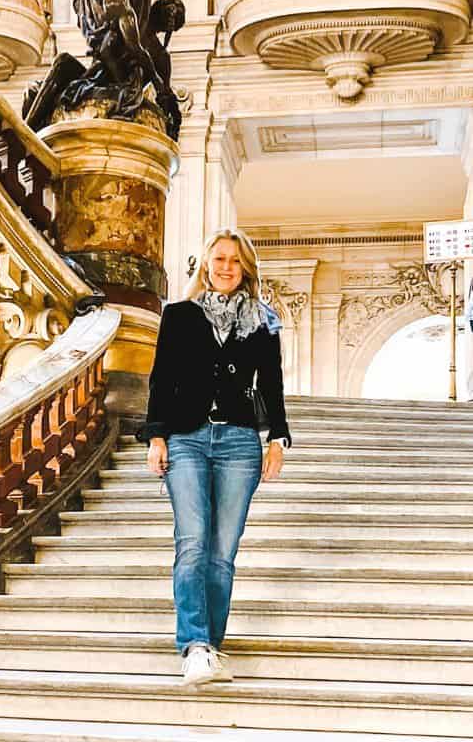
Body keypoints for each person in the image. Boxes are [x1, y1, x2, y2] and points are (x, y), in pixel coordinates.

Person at [138, 228, 292, 686]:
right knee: (192, 542)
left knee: (222, 552)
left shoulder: (263, 320)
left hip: (239, 444)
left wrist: (278, 438)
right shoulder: (180, 315)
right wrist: (156, 436)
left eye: (235, 260)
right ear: (207, 263)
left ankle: (211, 645)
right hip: (186, 439)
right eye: (220, 258)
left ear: (246, 269)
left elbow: (272, 383)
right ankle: (195, 646)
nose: (226, 267)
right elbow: (162, 377)